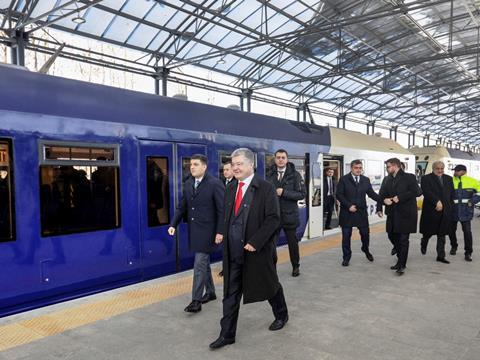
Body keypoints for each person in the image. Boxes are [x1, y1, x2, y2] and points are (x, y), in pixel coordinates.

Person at [209, 148, 288, 350]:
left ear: (251, 165)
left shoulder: (265, 188)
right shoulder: (230, 188)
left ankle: (281, 314)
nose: (235, 167)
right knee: (230, 293)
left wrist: (256, 241)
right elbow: (226, 217)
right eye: (233, 164)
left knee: (270, 285)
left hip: (256, 251)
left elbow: (273, 219)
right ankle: (227, 334)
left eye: (239, 164)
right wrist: (221, 234)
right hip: (233, 252)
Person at [168, 154, 224, 313]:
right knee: (203, 263)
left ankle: (196, 300)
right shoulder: (188, 183)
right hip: (195, 230)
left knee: (199, 264)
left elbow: (222, 210)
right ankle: (211, 292)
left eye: (196, 164)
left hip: (209, 231)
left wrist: (220, 231)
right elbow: (182, 206)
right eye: (190, 164)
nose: (192, 167)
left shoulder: (215, 184)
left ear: (204, 167)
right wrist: (173, 224)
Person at [266, 149, 306, 276]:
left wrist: (284, 192)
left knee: (292, 244)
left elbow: (302, 194)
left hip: (289, 216)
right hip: (273, 216)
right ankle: (272, 268)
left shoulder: (295, 175)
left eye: (283, 157)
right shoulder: (269, 174)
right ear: (275, 159)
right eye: (278, 157)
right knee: (271, 245)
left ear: (287, 159)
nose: (280, 160)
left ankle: (296, 266)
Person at [335, 160, 383, 266]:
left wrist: (382, 200)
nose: (358, 170)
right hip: (347, 212)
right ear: (351, 168)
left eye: (360, 168)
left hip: (361, 213)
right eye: (356, 168)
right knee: (346, 236)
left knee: (365, 234)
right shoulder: (343, 179)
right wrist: (348, 206)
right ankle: (346, 257)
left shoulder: (365, 180)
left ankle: (365, 249)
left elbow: (371, 194)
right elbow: (339, 195)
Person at [380, 158, 420, 275]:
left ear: (395, 166)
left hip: (406, 214)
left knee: (403, 239)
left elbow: (417, 192)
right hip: (392, 213)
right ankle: (398, 251)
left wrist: (401, 197)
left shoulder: (409, 177)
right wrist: (383, 201)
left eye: (388, 167)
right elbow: (382, 194)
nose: (387, 169)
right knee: (391, 235)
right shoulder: (387, 179)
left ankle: (401, 265)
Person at [419, 161, 454, 263]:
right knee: (428, 232)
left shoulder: (448, 178)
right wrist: (437, 202)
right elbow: (427, 192)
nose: (440, 171)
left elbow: (451, 193)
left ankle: (440, 256)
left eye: (442, 169)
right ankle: (424, 242)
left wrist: (450, 206)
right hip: (431, 210)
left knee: (442, 234)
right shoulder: (426, 178)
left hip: (445, 211)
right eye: (437, 169)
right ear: (433, 169)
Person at [448, 164, 480, 262]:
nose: (455, 172)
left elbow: (479, 192)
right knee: (450, 231)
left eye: (457, 171)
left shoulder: (473, 181)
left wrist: (472, 201)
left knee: (467, 232)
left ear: (463, 171)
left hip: (466, 211)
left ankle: (468, 252)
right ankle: (454, 246)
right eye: (455, 171)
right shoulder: (450, 181)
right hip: (453, 211)